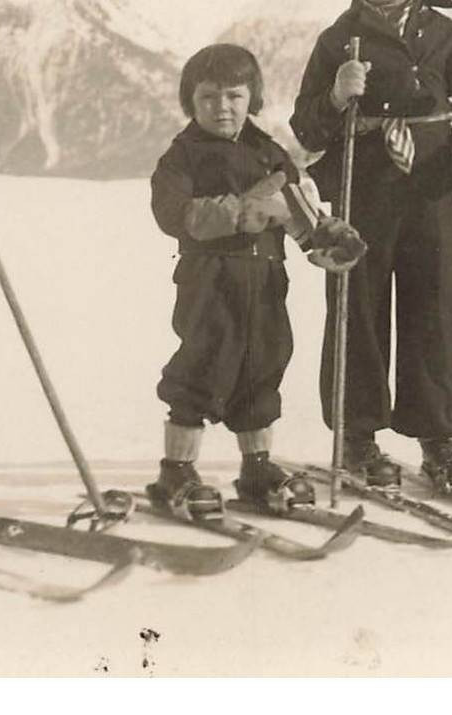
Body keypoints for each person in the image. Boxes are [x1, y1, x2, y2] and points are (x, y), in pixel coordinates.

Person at [291, 0, 452, 489]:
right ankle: (357, 436)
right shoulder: (336, 40)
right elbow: (307, 128)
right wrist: (338, 94)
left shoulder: (443, 34)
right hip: (358, 186)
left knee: (434, 305)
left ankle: (438, 436)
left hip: (431, 187)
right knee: (357, 307)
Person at [148, 43, 365, 517]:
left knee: (263, 363)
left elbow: (299, 210)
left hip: (266, 277)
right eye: (207, 98)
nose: (221, 108)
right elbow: (173, 214)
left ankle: (257, 466)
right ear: (191, 101)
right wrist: (239, 212)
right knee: (205, 361)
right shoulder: (182, 156)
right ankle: (176, 471)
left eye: (233, 96)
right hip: (210, 277)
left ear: (252, 98)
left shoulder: (269, 153)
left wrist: (326, 237)